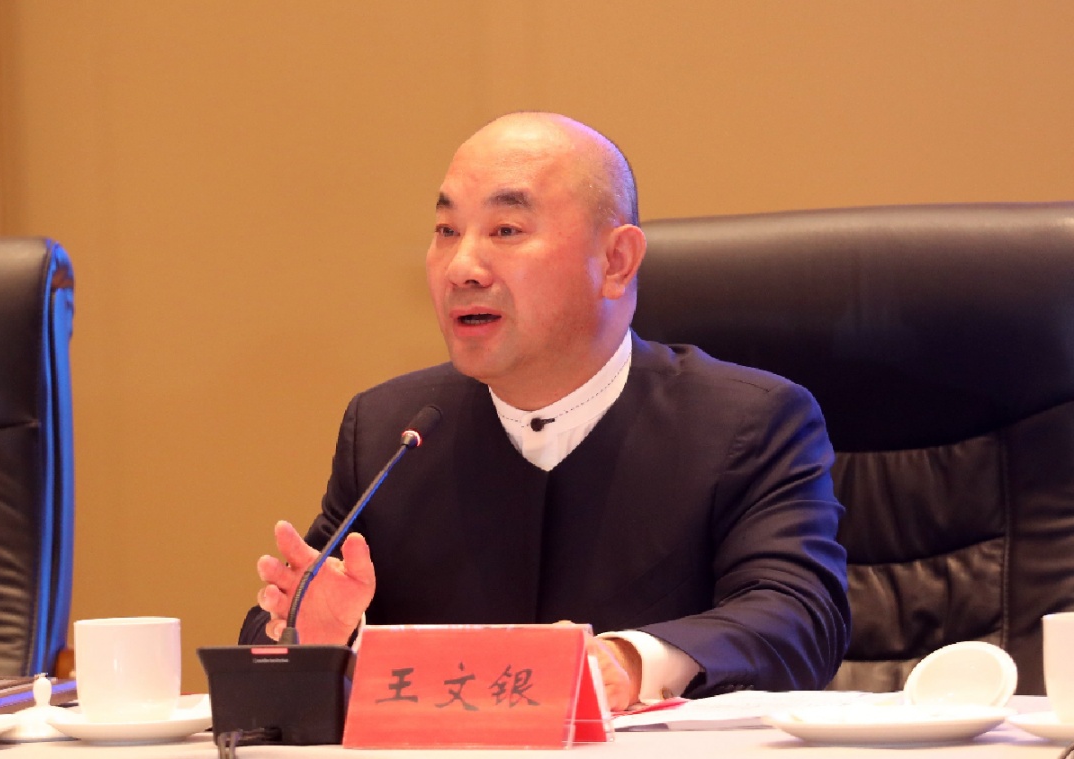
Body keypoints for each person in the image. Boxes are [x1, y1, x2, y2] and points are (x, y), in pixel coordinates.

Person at [241, 112, 850, 710]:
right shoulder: (390, 429)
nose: (461, 268)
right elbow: (280, 625)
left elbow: (797, 615)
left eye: (506, 230)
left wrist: (630, 663)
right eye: (447, 231)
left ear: (616, 262)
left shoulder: (747, 423)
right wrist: (324, 638)